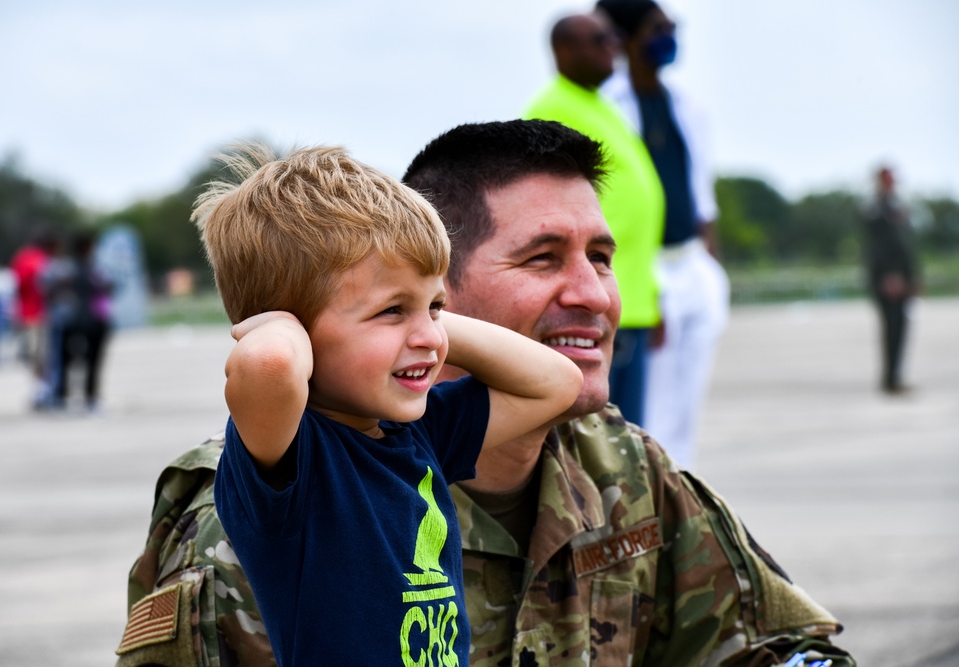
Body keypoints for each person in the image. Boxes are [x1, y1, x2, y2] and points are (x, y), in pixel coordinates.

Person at [116, 122, 855, 667]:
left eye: (602, 257)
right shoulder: (269, 498)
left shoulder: (612, 462)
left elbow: (773, 647)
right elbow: (269, 366)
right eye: (543, 258)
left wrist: (425, 322)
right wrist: (352, 317)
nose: (594, 294)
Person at [162, 143, 580, 667]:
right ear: (299, 336)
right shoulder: (291, 462)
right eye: (391, 311)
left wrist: (420, 317)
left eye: (436, 305)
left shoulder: (420, 433)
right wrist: (285, 324)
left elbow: (556, 384)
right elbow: (268, 366)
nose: (428, 336)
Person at [597, 0, 730, 469]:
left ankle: (680, 489)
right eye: (659, 28)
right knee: (651, 401)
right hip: (645, 270)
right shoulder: (609, 105)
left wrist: (711, 268)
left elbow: (701, 193)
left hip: (692, 263)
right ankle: (648, 490)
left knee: (688, 400)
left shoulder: (685, 106)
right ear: (629, 37)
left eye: (674, 28)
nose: (670, 38)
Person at [524, 13, 664, 427]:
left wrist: (654, 297)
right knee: (598, 431)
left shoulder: (601, 104)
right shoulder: (553, 108)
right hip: (592, 298)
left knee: (627, 433)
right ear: (563, 50)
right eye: (600, 39)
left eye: (615, 38)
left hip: (631, 297)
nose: (614, 47)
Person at [861, 165, 920, 394]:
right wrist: (890, 275)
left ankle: (895, 376)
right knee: (891, 327)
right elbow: (880, 247)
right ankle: (890, 379)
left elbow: (907, 247)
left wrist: (913, 277)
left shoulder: (897, 206)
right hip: (887, 279)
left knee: (901, 328)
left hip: (902, 278)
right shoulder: (875, 209)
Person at [40, 231, 114, 411]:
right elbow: (110, 287)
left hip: (72, 320)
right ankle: (89, 397)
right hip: (91, 320)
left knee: (68, 360)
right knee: (91, 361)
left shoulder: (65, 269)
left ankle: (63, 396)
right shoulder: (95, 269)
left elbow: (48, 290)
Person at [10, 227, 56, 407]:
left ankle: (41, 389)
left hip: (32, 313)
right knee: (39, 354)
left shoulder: (24, 258)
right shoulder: (38, 259)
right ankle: (40, 390)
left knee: (38, 355)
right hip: (36, 313)